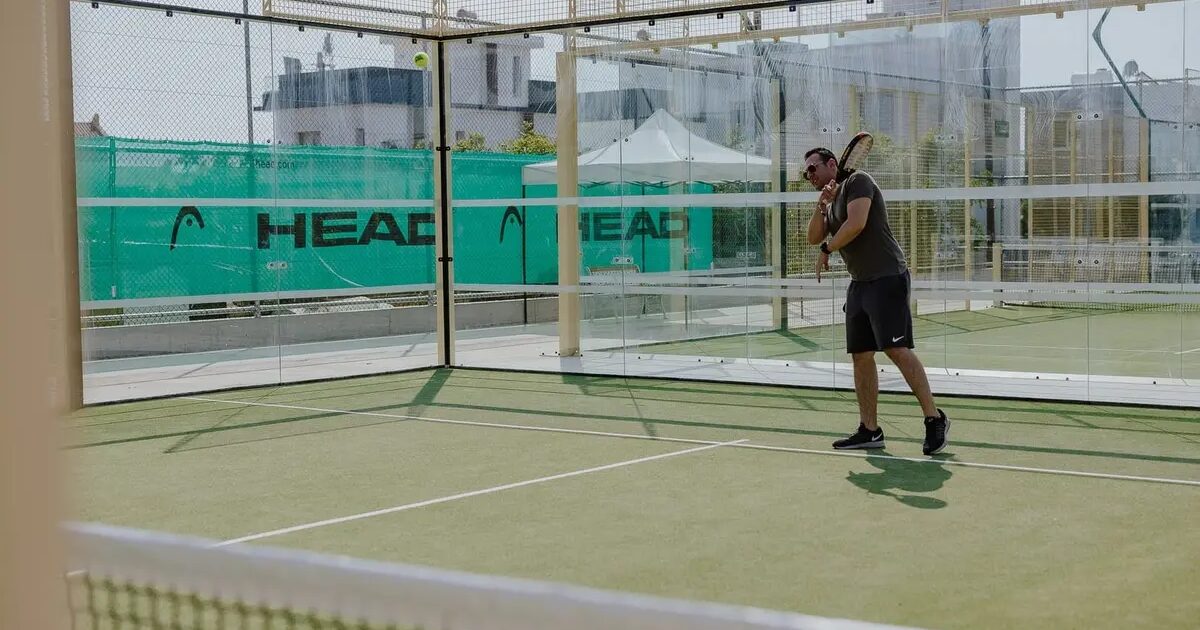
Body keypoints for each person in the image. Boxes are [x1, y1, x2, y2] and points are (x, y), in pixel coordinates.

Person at [802, 147, 950, 455]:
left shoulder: (859, 181)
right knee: (861, 356)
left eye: (813, 169)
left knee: (896, 349)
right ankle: (870, 430)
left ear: (832, 164)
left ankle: (934, 419)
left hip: (887, 278)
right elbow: (813, 237)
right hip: (859, 284)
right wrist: (821, 205)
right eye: (807, 173)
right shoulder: (829, 202)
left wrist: (828, 251)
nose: (810, 176)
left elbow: (856, 223)